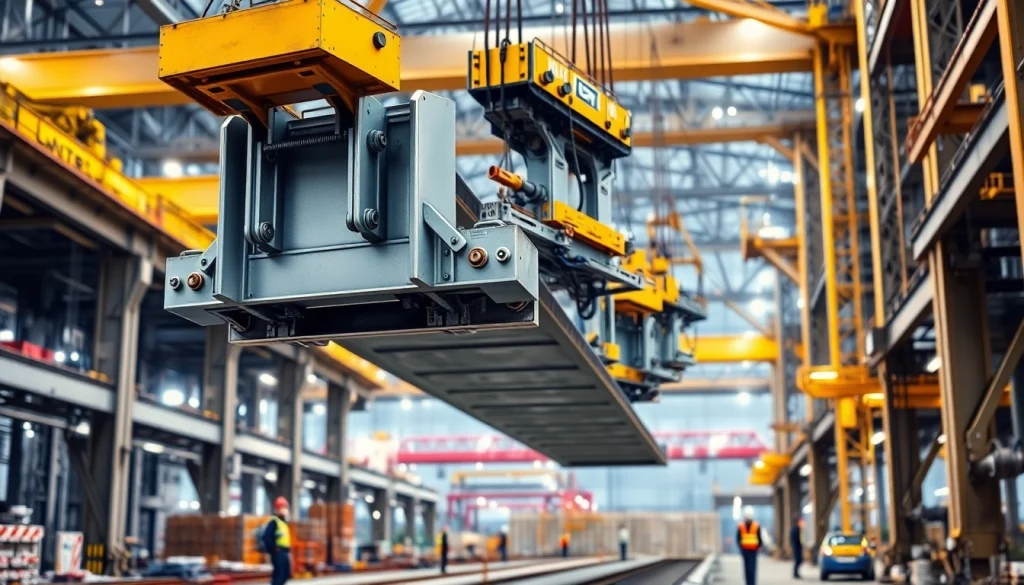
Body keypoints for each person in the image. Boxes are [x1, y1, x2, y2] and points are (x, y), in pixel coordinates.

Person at [262, 497, 291, 585]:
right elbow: (266, 537)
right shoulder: (274, 522)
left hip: (285, 552)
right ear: (278, 509)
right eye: (284, 507)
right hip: (279, 553)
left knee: (285, 575)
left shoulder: (283, 522)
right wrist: (273, 549)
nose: (286, 510)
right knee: (279, 576)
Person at [736, 506, 763, 585]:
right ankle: (748, 583)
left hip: (753, 551)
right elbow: (738, 539)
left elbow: (759, 539)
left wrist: (758, 547)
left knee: (752, 568)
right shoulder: (741, 526)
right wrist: (741, 548)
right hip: (745, 551)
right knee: (747, 569)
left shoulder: (756, 526)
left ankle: (752, 583)